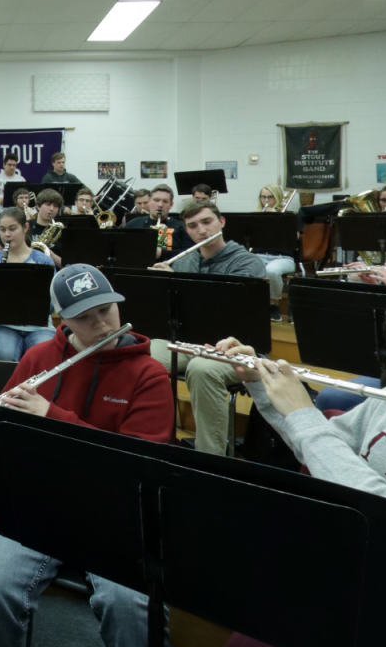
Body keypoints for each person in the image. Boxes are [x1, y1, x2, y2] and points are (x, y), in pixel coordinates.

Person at [0, 263, 172, 647]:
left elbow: (135, 467)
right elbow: (6, 442)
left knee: (131, 607)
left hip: (114, 514)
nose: (101, 324)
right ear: (63, 321)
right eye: (85, 317)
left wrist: (52, 415)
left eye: (106, 310)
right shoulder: (39, 357)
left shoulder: (150, 374)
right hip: (39, 501)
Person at [215, 337, 386, 647]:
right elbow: (322, 449)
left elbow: (380, 509)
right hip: (369, 589)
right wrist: (263, 386)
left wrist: (304, 415)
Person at [149, 200, 266, 455]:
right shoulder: (184, 261)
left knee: (202, 369)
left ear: (221, 222)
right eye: (193, 226)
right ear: (186, 231)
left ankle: (210, 458)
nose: (201, 230)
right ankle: (152, 439)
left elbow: (227, 307)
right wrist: (160, 284)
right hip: (190, 341)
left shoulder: (247, 262)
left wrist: (178, 281)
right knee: (142, 353)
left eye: (207, 222)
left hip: (235, 348)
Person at [0, 207, 54, 362]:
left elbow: (52, 304)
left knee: (44, 355)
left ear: (25, 227)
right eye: (2, 230)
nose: (7, 234)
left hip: (39, 326)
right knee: (3, 355)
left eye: (12, 229)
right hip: (5, 325)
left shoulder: (43, 261)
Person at [256, 183, 298, 321]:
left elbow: (295, 239)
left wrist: (278, 219)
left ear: (278, 198)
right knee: (244, 266)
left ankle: (274, 306)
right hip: (260, 254)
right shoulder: (256, 216)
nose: (266, 201)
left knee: (272, 271)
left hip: (283, 257)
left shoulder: (289, 216)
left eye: (270, 197)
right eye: (263, 197)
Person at [122, 184, 190, 258]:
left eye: (165, 201)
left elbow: (191, 254)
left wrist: (162, 253)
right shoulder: (133, 224)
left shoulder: (181, 227)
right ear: (149, 202)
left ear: (171, 204)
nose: (160, 205)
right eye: (156, 200)